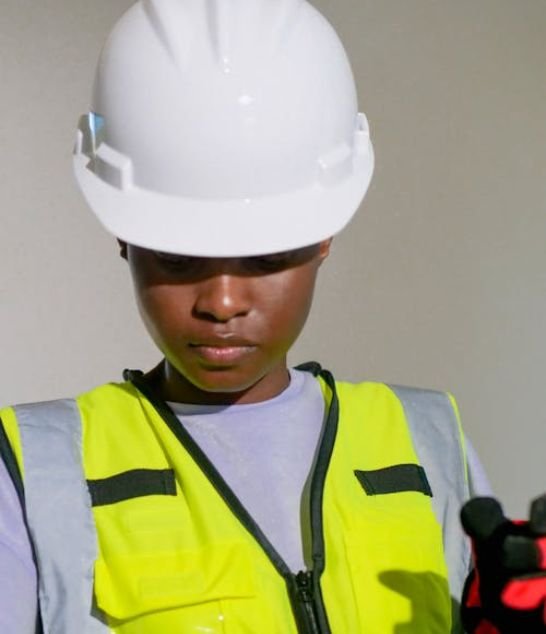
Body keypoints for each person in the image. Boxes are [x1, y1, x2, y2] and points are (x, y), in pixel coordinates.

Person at [0, 1, 544, 632]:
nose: (222, 302)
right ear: (123, 235)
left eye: (266, 257)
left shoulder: (430, 442)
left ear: (325, 235)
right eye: (178, 258)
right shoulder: (37, 472)